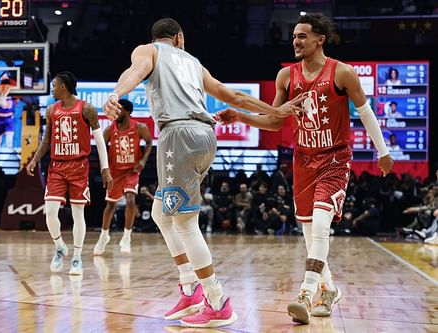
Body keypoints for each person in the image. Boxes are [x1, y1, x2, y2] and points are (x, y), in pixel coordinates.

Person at [103, 18, 303, 328]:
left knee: (184, 223)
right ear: (179, 38)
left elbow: (135, 71)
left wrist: (116, 94)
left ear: (158, 38)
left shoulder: (147, 50)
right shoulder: (194, 63)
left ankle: (216, 300)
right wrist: (276, 111)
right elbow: (232, 96)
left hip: (178, 135)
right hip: (206, 135)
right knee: (160, 212)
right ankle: (189, 288)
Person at [217, 12, 394, 324]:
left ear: (319, 39)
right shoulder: (286, 76)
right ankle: (329, 289)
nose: (295, 41)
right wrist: (241, 116)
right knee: (311, 234)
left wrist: (383, 152)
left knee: (323, 224)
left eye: (301, 36)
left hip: (335, 158)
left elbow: (365, 113)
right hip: (303, 161)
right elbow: (274, 119)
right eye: (294, 36)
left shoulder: (342, 73)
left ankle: (305, 292)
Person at [26, 71, 112, 275]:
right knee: (50, 212)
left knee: (77, 214)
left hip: (78, 167)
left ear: (63, 86)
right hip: (56, 166)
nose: (52, 89)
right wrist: (35, 159)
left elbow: (99, 141)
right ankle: (59, 246)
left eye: (54, 86)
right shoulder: (51, 110)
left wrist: (105, 169)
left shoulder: (87, 109)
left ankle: (76, 257)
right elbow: (47, 140)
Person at [93, 99, 152, 255]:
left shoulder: (140, 127)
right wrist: (105, 169)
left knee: (131, 200)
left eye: (119, 110)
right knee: (110, 205)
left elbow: (149, 143)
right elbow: (101, 148)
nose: (116, 113)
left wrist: (143, 160)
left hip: (132, 171)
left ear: (127, 112)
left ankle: (126, 237)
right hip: (115, 171)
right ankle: (104, 236)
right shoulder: (109, 130)